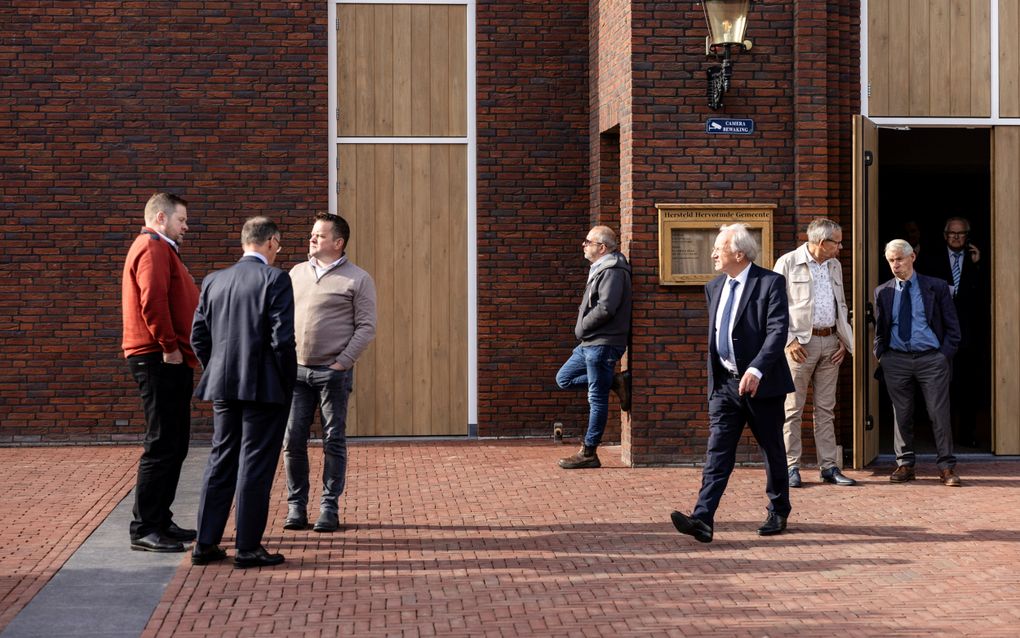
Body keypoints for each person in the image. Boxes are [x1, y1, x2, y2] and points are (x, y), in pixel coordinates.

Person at [671, 224, 794, 543]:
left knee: (772, 448)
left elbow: (777, 331)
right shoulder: (714, 287)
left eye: (718, 247)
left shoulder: (770, 283)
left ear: (739, 253)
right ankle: (703, 518)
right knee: (718, 451)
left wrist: (756, 369)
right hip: (725, 385)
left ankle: (778, 509)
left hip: (762, 384)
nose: (712, 253)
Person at [190, 217, 297, 568]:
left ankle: (205, 543)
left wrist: (216, 368)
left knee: (221, 458)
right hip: (264, 386)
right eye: (278, 245)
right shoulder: (275, 279)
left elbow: (199, 337)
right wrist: (285, 382)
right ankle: (248, 547)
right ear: (271, 242)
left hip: (222, 383)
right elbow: (282, 339)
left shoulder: (214, 280)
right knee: (255, 463)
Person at [283, 213, 377, 533]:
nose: (312, 239)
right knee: (292, 440)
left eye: (319, 236)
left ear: (338, 243)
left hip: (332, 374)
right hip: (295, 373)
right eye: (312, 234)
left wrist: (343, 362)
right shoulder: (295, 273)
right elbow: (279, 318)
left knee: (333, 441)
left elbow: (366, 327)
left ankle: (328, 507)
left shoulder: (357, 279)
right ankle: (296, 507)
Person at [121, 192, 199, 553]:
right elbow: (151, 301)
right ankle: (145, 528)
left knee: (175, 442)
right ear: (161, 217)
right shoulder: (152, 247)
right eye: (181, 220)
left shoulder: (161, 248)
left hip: (167, 358)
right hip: (158, 358)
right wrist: (169, 347)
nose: (186, 226)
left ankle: (160, 518)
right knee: (162, 443)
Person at [772, 218, 856, 487]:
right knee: (792, 409)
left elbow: (839, 304)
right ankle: (790, 467)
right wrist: (788, 341)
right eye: (837, 242)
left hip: (830, 342)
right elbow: (774, 307)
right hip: (800, 346)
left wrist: (843, 339)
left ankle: (829, 467)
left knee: (825, 409)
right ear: (822, 242)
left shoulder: (834, 265)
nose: (840, 248)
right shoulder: (788, 263)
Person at [874, 239, 962, 486]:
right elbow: (881, 328)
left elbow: (953, 328)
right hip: (896, 359)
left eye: (899, 259)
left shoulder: (936, 287)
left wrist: (943, 355)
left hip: (931, 359)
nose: (895, 265)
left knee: (938, 413)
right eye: (891, 260)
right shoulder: (883, 291)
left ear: (912, 257)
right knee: (901, 414)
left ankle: (946, 467)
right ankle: (904, 465)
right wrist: (881, 353)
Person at [555, 225, 632, 469]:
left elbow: (607, 307)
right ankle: (615, 381)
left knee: (596, 398)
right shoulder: (600, 269)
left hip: (602, 343)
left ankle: (589, 452)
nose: (583, 245)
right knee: (564, 379)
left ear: (602, 247)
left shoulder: (613, 271)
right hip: (590, 343)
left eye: (588, 241)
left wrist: (582, 327)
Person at [917, 217, 984, 447]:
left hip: (968, 334)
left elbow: (986, 294)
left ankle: (967, 434)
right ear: (945, 236)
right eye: (952, 233)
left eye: (961, 233)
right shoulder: (931, 259)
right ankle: (940, 436)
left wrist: (978, 265)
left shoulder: (976, 260)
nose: (956, 237)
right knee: (940, 387)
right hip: (938, 332)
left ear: (968, 236)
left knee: (968, 386)